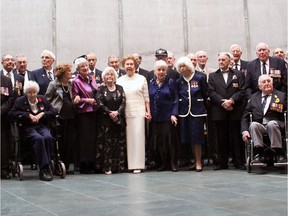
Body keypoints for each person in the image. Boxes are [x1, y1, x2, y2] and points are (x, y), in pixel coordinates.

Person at [8, 81, 56, 181]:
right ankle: (44, 168)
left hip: (41, 126)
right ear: (26, 92)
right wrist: (27, 115)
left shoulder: (42, 99)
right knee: (38, 138)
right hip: (27, 128)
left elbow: (53, 111)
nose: (32, 94)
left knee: (47, 137)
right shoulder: (20, 101)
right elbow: (11, 114)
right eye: (30, 92)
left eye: (34, 92)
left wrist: (42, 114)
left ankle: (46, 164)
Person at [208, 52, 246, 170]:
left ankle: (238, 161)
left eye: (223, 60)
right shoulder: (212, 75)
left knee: (236, 136)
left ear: (230, 61)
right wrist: (222, 102)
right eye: (219, 60)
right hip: (219, 110)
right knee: (221, 137)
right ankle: (222, 162)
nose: (221, 62)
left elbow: (242, 90)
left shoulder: (238, 74)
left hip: (235, 109)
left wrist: (231, 101)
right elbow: (211, 92)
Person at [117, 55, 151, 174]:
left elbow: (146, 97)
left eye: (131, 64)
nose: (129, 66)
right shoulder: (119, 80)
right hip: (125, 112)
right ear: (124, 66)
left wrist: (148, 112)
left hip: (139, 112)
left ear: (135, 65)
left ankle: (138, 164)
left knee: (138, 139)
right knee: (127, 139)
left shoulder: (142, 78)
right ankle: (128, 164)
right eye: (127, 64)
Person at [241, 75, 287, 163]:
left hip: (276, 125)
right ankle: (259, 153)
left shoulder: (281, 96)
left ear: (272, 83)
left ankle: (278, 153)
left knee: (271, 124)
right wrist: (244, 131)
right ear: (259, 86)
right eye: (264, 82)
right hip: (260, 126)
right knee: (253, 125)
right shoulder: (253, 97)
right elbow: (245, 116)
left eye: (269, 81)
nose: (267, 83)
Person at [176, 56, 207, 172]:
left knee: (197, 138)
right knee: (188, 137)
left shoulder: (199, 78)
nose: (182, 69)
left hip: (197, 112)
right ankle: (194, 160)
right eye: (180, 67)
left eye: (184, 66)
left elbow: (205, 94)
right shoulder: (179, 81)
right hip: (184, 113)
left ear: (189, 66)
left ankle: (199, 162)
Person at [45, 63, 77, 174]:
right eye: (69, 71)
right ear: (63, 73)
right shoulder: (54, 84)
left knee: (69, 140)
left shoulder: (70, 84)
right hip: (59, 115)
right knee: (60, 141)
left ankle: (66, 165)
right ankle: (58, 163)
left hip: (71, 115)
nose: (71, 73)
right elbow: (47, 99)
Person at [96, 67, 126, 174]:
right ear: (104, 77)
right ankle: (107, 167)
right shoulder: (101, 89)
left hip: (118, 120)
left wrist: (117, 113)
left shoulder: (120, 88)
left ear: (115, 76)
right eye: (107, 75)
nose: (109, 76)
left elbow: (123, 102)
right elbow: (99, 103)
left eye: (111, 74)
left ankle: (118, 167)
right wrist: (110, 113)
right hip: (105, 121)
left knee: (118, 143)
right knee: (107, 144)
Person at [149, 60, 178, 172]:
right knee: (159, 141)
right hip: (156, 117)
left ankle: (173, 164)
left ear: (166, 71)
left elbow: (175, 99)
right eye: (159, 70)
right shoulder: (151, 83)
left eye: (163, 70)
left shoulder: (171, 82)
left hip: (168, 117)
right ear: (155, 71)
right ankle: (162, 163)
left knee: (170, 141)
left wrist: (174, 114)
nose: (161, 72)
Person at [72, 57, 99, 174]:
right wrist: (87, 100)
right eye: (82, 66)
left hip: (95, 112)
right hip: (84, 113)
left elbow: (95, 91)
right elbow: (75, 98)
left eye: (86, 66)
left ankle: (93, 163)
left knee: (93, 138)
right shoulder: (76, 81)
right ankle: (84, 164)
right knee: (85, 139)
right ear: (78, 69)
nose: (85, 68)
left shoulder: (92, 78)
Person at [1, 75, 14, 179]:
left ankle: (4, 169)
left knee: (3, 144)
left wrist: (1, 110)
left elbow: (10, 98)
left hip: (2, 117)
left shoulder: (6, 80)